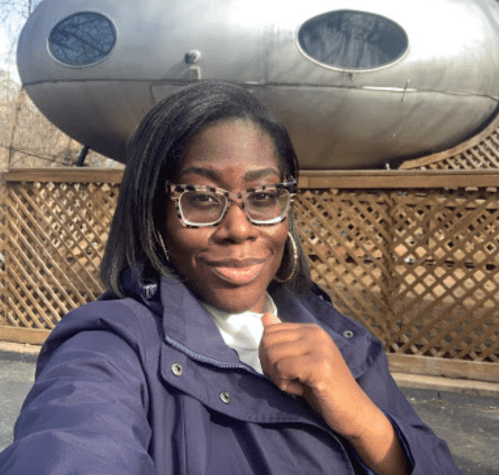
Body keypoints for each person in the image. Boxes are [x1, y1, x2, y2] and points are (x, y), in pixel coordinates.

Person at [0, 81, 463, 475]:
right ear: (154, 213)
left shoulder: (341, 338)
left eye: (262, 195)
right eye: (201, 198)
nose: (239, 228)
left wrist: (366, 422)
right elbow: (73, 443)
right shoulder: (112, 345)